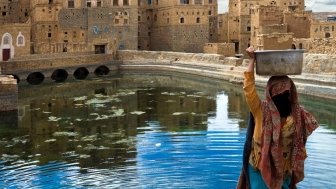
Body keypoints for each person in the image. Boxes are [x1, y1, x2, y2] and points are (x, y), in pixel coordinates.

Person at [237, 47, 319, 189]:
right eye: (280, 94)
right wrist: (251, 60)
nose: (282, 97)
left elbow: (248, 88)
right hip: (259, 171)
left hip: (283, 173)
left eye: (285, 94)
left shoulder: (298, 115)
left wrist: (252, 60)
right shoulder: (264, 110)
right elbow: (248, 88)